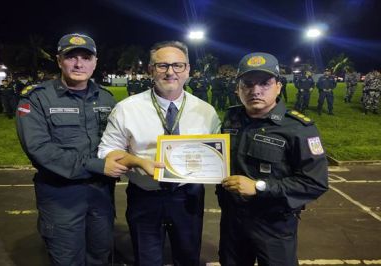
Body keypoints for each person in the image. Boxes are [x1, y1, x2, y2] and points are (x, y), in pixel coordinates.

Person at [98, 40, 221, 266]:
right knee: (147, 259)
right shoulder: (127, 108)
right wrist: (137, 161)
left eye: (178, 65)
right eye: (162, 65)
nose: (170, 72)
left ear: (188, 70)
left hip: (188, 196)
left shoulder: (206, 111)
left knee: (188, 257)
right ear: (151, 70)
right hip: (145, 195)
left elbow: (216, 155)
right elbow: (107, 152)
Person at [16, 33, 127, 265]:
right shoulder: (37, 99)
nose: (79, 64)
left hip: (101, 196)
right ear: (59, 61)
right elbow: (40, 149)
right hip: (61, 198)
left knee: (101, 255)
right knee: (67, 259)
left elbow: (120, 141)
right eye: (71, 57)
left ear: (95, 62)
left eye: (86, 57)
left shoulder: (107, 99)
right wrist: (98, 165)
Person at [217, 52, 328, 266]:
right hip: (233, 221)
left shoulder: (298, 128)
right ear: (237, 88)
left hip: (274, 224)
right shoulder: (232, 118)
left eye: (265, 83)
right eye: (247, 83)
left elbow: (315, 182)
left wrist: (260, 187)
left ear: (278, 86)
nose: (255, 90)